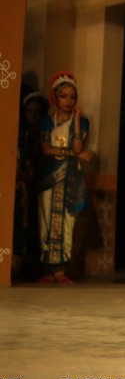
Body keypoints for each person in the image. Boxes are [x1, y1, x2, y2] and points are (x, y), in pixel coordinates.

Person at [36, 72, 92, 283]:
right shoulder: (46, 122)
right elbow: (46, 149)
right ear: (55, 98)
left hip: (71, 178)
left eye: (72, 96)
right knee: (46, 220)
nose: (68, 101)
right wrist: (72, 154)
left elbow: (79, 147)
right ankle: (48, 269)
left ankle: (60, 268)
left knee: (67, 222)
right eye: (64, 96)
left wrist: (76, 121)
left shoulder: (83, 122)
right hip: (49, 177)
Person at [14, 91, 48, 280]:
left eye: (37, 112)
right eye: (29, 111)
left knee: (38, 225)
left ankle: (36, 266)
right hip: (25, 186)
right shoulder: (23, 134)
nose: (33, 116)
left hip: (39, 184)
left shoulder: (45, 134)